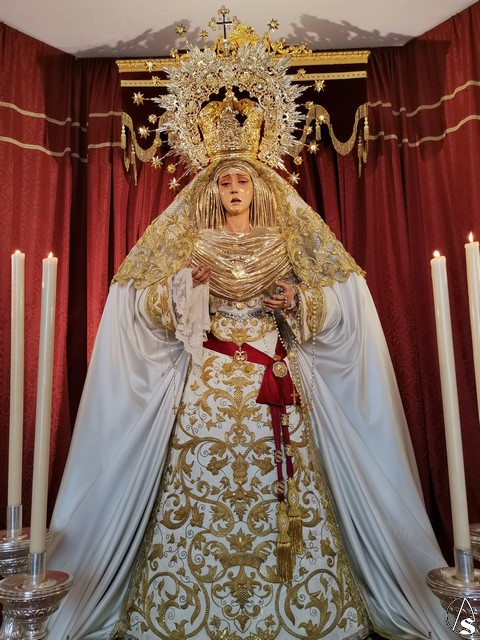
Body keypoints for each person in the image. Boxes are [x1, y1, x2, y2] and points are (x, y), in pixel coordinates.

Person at [46, 34, 454, 640]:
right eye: (224, 181)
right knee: (194, 482)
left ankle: (305, 607)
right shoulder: (189, 242)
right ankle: (182, 604)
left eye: (242, 179)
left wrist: (299, 301)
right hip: (206, 384)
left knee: (286, 484)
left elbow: (342, 304)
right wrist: (185, 289)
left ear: (259, 184)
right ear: (211, 188)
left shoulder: (289, 239)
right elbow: (143, 308)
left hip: (274, 376)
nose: (233, 188)